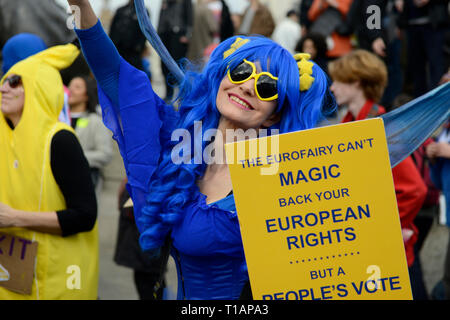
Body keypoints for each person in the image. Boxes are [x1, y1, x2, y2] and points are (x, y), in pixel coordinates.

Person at [67, 0, 335, 300]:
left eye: (267, 87)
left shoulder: (286, 179)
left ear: (274, 114)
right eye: (241, 71)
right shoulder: (181, 145)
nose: (247, 86)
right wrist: (78, 4)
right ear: (221, 77)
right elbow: (113, 73)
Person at [0, 43, 98, 299]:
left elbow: (85, 216)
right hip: (11, 276)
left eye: (14, 82)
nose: (3, 88)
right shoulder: (5, 139)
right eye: (3, 80)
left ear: (39, 87)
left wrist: (15, 218)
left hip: (58, 278)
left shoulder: (60, 140)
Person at [329, 49, 428, 299]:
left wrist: (386, 228)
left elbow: (415, 190)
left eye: (338, 80)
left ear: (356, 81)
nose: (332, 87)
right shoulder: (352, 123)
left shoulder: (380, 127)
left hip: (393, 257)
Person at [68, 75, 113, 189]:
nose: (70, 90)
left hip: (84, 183)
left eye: (77, 87)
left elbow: (105, 154)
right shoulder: (58, 118)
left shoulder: (95, 121)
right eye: (70, 86)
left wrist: (75, 158)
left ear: (86, 95)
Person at [157, 0, 193, 101]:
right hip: (165, 35)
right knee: (164, 66)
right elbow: (161, 16)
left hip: (178, 36)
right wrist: (158, 34)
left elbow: (190, 17)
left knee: (178, 66)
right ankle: (169, 94)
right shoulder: (165, 2)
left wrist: (187, 35)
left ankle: (181, 96)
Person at [109, 0, 148, 71]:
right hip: (118, 50)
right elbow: (112, 29)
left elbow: (146, 30)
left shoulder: (143, 11)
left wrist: (139, 47)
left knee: (134, 74)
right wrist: (111, 45)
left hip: (133, 52)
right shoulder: (120, 10)